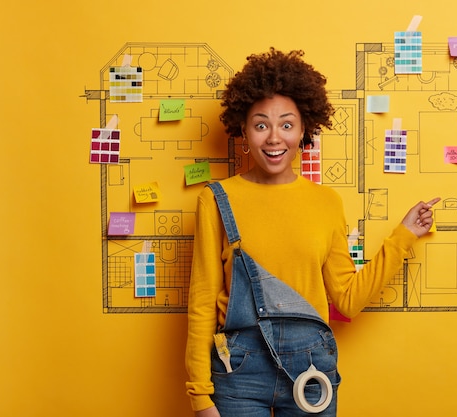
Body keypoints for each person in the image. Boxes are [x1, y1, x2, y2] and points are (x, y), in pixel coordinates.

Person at [185, 48, 439, 417]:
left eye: (287, 125)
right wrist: (200, 397)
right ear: (243, 129)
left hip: (311, 367)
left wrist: (403, 236)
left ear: (305, 129)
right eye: (261, 125)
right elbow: (203, 299)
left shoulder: (326, 203)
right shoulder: (216, 200)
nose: (274, 138)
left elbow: (347, 299)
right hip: (238, 372)